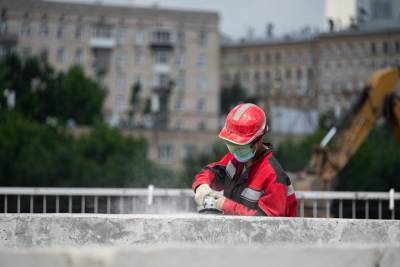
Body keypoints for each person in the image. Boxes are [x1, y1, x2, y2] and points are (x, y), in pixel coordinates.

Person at [193, 103, 297, 216]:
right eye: (230, 144)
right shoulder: (236, 159)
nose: (233, 151)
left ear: (257, 141)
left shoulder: (273, 177)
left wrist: (226, 205)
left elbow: (269, 225)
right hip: (239, 231)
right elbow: (212, 172)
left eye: (240, 145)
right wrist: (202, 186)